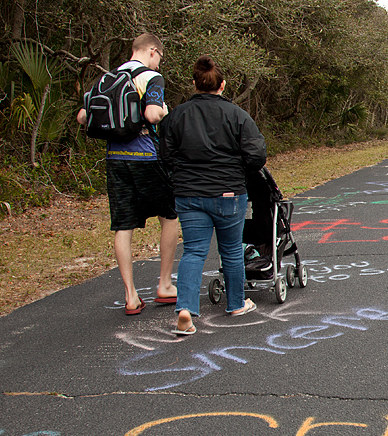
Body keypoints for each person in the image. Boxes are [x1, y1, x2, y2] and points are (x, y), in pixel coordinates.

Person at [160, 55, 267, 335]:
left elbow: (165, 155)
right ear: (222, 84)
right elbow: (256, 156)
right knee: (231, 250)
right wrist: (238, 168)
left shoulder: (176, 116)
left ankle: (185, 308)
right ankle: (235, 303)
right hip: (228, 192)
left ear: (194, 84)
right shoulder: (237, 115)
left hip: (189, 193)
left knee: (194, 251)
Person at [77, 33, 178, 315]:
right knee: (169, 214)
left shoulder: (106, 78)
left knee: (123, 225)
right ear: (153, 51)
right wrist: (163, 111)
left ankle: (130, 294)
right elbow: (153, 114)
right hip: (147, 156)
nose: (159, 64)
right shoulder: (150, 78)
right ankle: (165, 284)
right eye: (160, 58)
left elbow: (83, 117)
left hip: (115, 159)